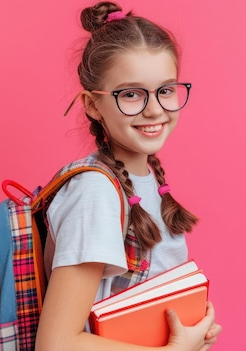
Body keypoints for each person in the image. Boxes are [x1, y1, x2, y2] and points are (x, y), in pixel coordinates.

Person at [35, 2, 222, 351]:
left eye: (165, 90)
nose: (154, 109)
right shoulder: (96, 193)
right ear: (92, 104)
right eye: (131, 94)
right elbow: (57, 344)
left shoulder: (143, 177)